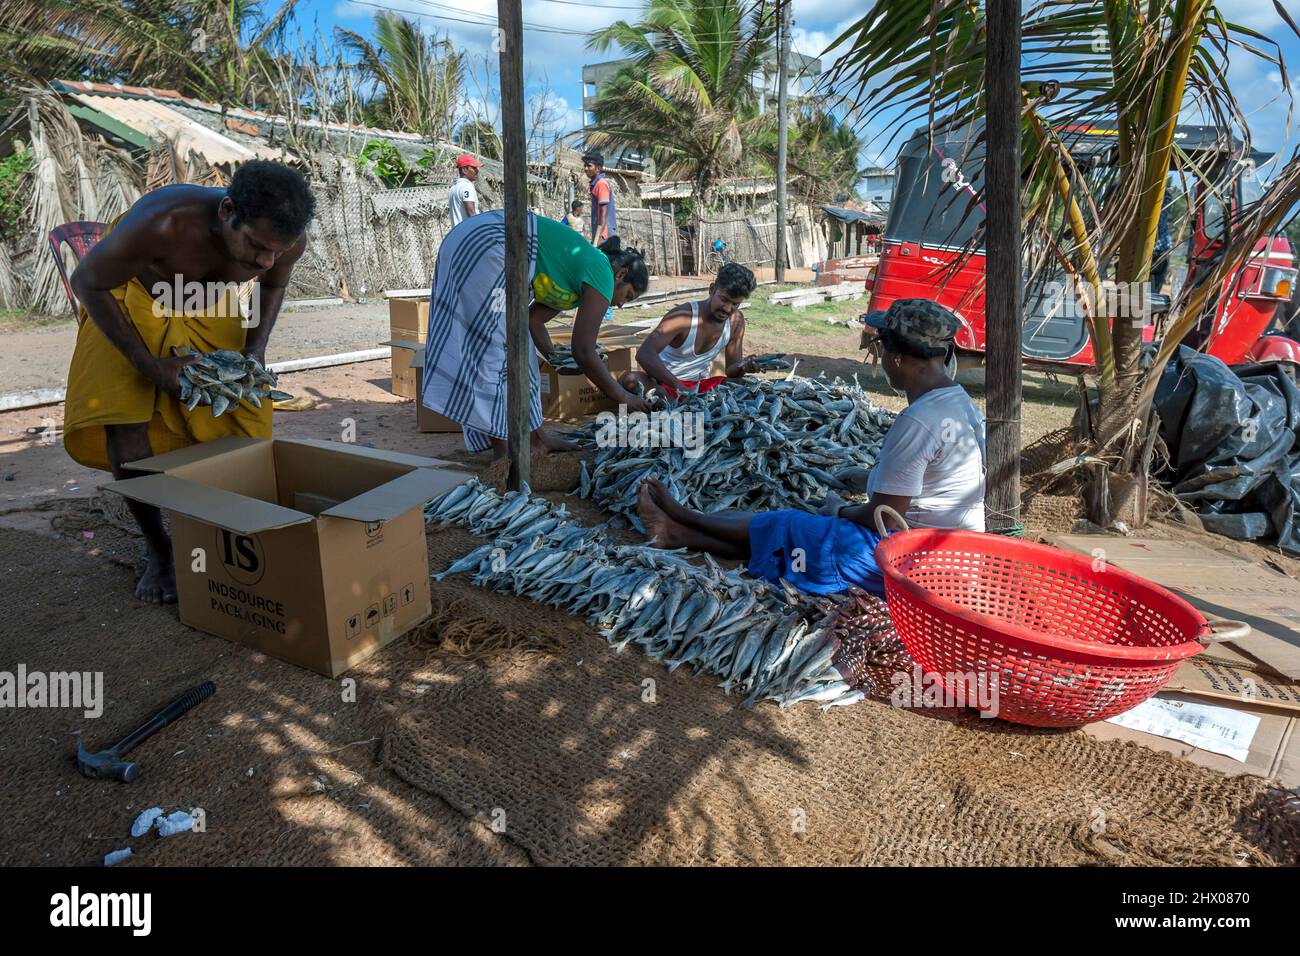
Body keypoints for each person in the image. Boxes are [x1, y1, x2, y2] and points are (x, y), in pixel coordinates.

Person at [64, 160, 315, 603]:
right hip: (133, 297)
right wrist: (148, 365)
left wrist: (255, 349)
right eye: (257, 246)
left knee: (247, 414)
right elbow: (88, 281)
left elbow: (271, 288)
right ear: (227, 212)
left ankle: (233, 530)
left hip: (206, 303)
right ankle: (159, 551)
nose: (265, 260)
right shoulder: (163, 222)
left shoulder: (283, 242)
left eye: (277, 251)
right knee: (126, 418)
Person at [636, 299, 986, 597]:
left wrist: (838, 510)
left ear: (897, 358)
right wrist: (867, 477)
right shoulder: (960, 404)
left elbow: (882, 517)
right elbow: (927, 484)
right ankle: (675, 533)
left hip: (919, 570)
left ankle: (686, 517)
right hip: (955, 559)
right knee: (792, 538)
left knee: (793, 524)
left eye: (880, 349)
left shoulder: (919, 420)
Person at [421, 210, 652, 457]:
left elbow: (532, 322)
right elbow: (584, 350)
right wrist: (622, 395)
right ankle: (505, 453)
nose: (619, 305)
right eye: (627, 296)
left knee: (521, 350)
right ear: (621, 275)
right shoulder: (602, 271)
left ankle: (537, 437)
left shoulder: (579, 276)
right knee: (495, 351)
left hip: (479, 240)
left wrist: (555, 358)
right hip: (490, 242)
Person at [619, 262, 760, 398]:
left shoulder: (735, 321)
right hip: (666, 385)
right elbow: (644, 354)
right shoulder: (683, 316)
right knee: (631, 379)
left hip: (700, 386)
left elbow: (731, 371)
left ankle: (685, 408)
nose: (728, 308)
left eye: (735, 304)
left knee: (746, 384)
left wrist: (744, 366)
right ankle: (685, 407)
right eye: (724, 299)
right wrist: (679, 386)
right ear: (712, 289)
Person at [583, 150, 616, 244]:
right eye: (585, 165)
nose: (586, 168)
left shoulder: (601, 184)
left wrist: (597, 240)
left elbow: (603, 215)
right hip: (600, 234)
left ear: (598, 168)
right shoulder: (595, 184)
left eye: (589, 166)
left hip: (604, 236)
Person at [448, 154, 482, 227]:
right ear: (464, 170)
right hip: (469, 234)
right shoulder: (467, 186)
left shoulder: (453, 188)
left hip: (458, 233)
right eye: (474, 168)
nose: (477, 171)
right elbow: (471, 213)